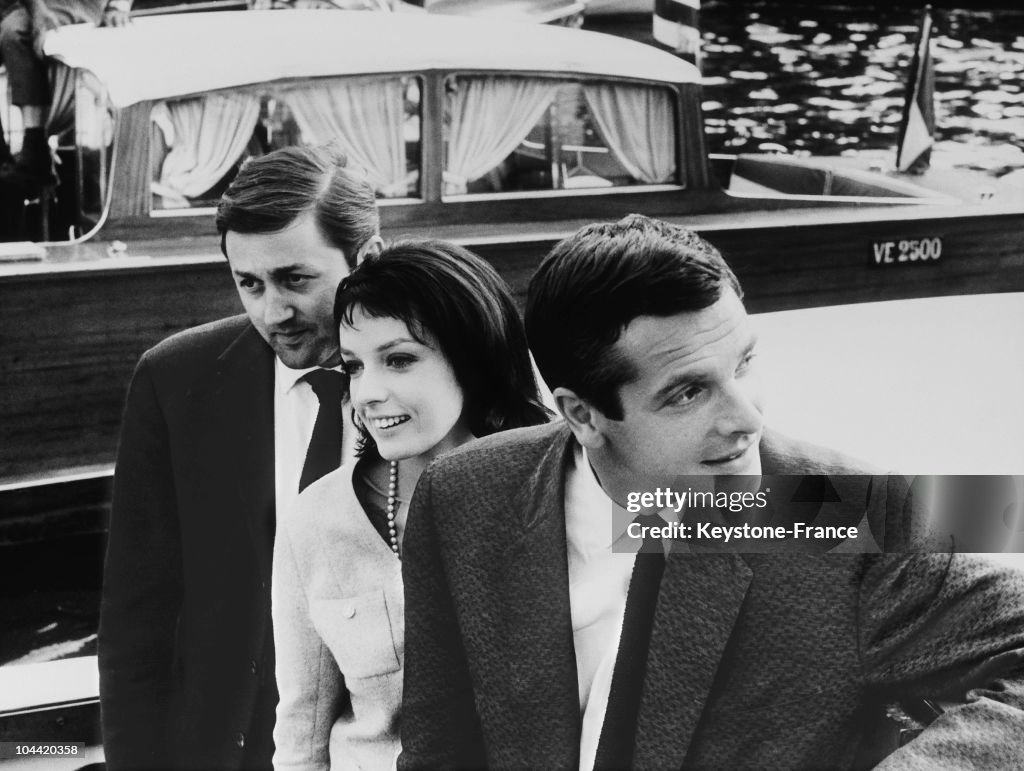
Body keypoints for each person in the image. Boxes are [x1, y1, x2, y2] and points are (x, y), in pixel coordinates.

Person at [398, 214, 1024, 769]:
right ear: (583, 415)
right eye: (689, 392)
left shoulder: (836, 507)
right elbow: (437, 742)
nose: (747, 418)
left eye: (744, 364)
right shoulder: (462, 495)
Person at [98, 144, 381, 771]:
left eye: (295, 280)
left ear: (368, 260)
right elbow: (135, 614)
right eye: (248, 284)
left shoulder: (452, 374)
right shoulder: (175, 381)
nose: (271, 312)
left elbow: (620, 518)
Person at [272, 239, 550, 770]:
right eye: (354, 366)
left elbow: (739, 515)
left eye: (399, 360)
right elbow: (301, 735)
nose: (368, 391)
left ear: (473, 357)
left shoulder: (567, 479)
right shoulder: (316, 518)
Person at [0, 0, 130, 192]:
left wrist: (119, 7)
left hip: (73, 5)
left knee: (16, 29)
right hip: (27, 5)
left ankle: (35, 148)